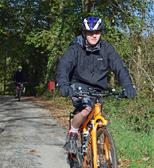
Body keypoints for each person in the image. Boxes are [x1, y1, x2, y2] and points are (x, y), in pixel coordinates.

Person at [56, 16, 136, 154]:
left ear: (101, 32)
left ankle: (95, 148)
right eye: (90, 32)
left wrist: (128, 85)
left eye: (97, 32)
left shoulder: (107, 49)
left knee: (97, 115)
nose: (94, 35)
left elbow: (120, 68)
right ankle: (73, 132)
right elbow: (64, 66)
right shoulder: (75, 48)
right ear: (84, 33)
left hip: (98, 88)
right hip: (78, 85)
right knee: (86, 108)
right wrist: (63, 84)